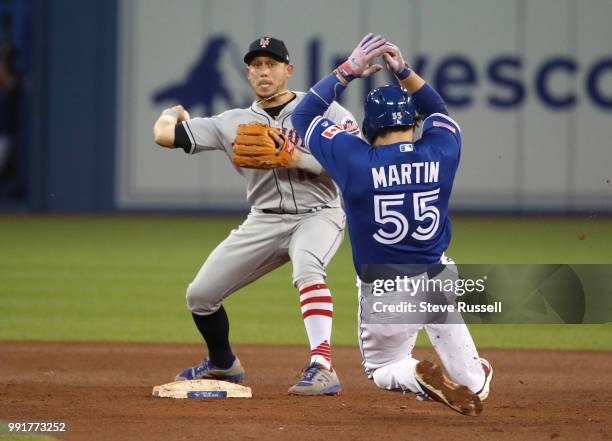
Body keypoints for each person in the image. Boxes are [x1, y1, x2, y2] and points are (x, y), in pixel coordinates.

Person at [292, 34, 493, 415]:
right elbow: (439, 110)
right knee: (474, 387)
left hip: (385, 287)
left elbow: (303, 115)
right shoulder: (442, 149)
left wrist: (347, 70)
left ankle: (416, 373)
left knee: (384, 367)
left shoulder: (354, 160)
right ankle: (469, 380)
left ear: (369, 125)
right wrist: (405, 72)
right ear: (413, 120)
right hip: (437, 278)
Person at [153, 36, 361, 395]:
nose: (264, 71)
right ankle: (223, 364)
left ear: (288, 70)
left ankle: (322, 365)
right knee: (200, 295)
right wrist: (173, 113)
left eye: (272, 64)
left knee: (309, 269)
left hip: (318, 214)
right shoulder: (231, 122)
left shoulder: (325, 111)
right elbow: (163, 136)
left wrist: (298, 159)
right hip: (264, 219)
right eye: (257, 65)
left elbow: (356, 166)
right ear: (248, 73)